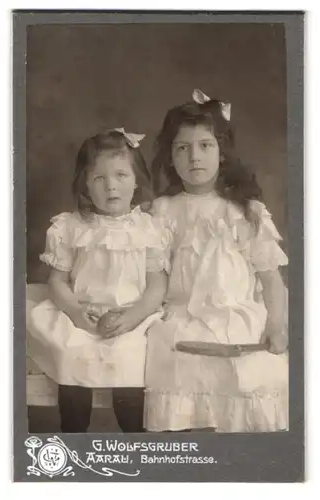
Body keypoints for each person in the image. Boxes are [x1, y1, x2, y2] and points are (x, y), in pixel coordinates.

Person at [144, 89, 288, 433]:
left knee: (250, 384)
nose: (195, 157)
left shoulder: (244, 211)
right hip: (183, 319)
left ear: (222, 153)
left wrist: (277, 325)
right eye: (183, 148)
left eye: (205, 146)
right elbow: (158, 281)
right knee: (176, 365)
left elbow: (271, 280)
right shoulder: (163, 212)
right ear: (170, 157)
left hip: (237, 320)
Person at [27, 128, 167, 433]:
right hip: (83, 313)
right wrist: (76, 313)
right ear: (85, 184)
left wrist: (134, 316)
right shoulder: (71, 226)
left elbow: (157, 284)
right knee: (73, 355)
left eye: (120, 175)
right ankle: (74, 439)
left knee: (131, 360)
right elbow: (57, 281)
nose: (111, 186)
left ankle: (136, 445)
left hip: (131, 316)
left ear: (136, 180)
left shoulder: (148, 228)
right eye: (99, 178)